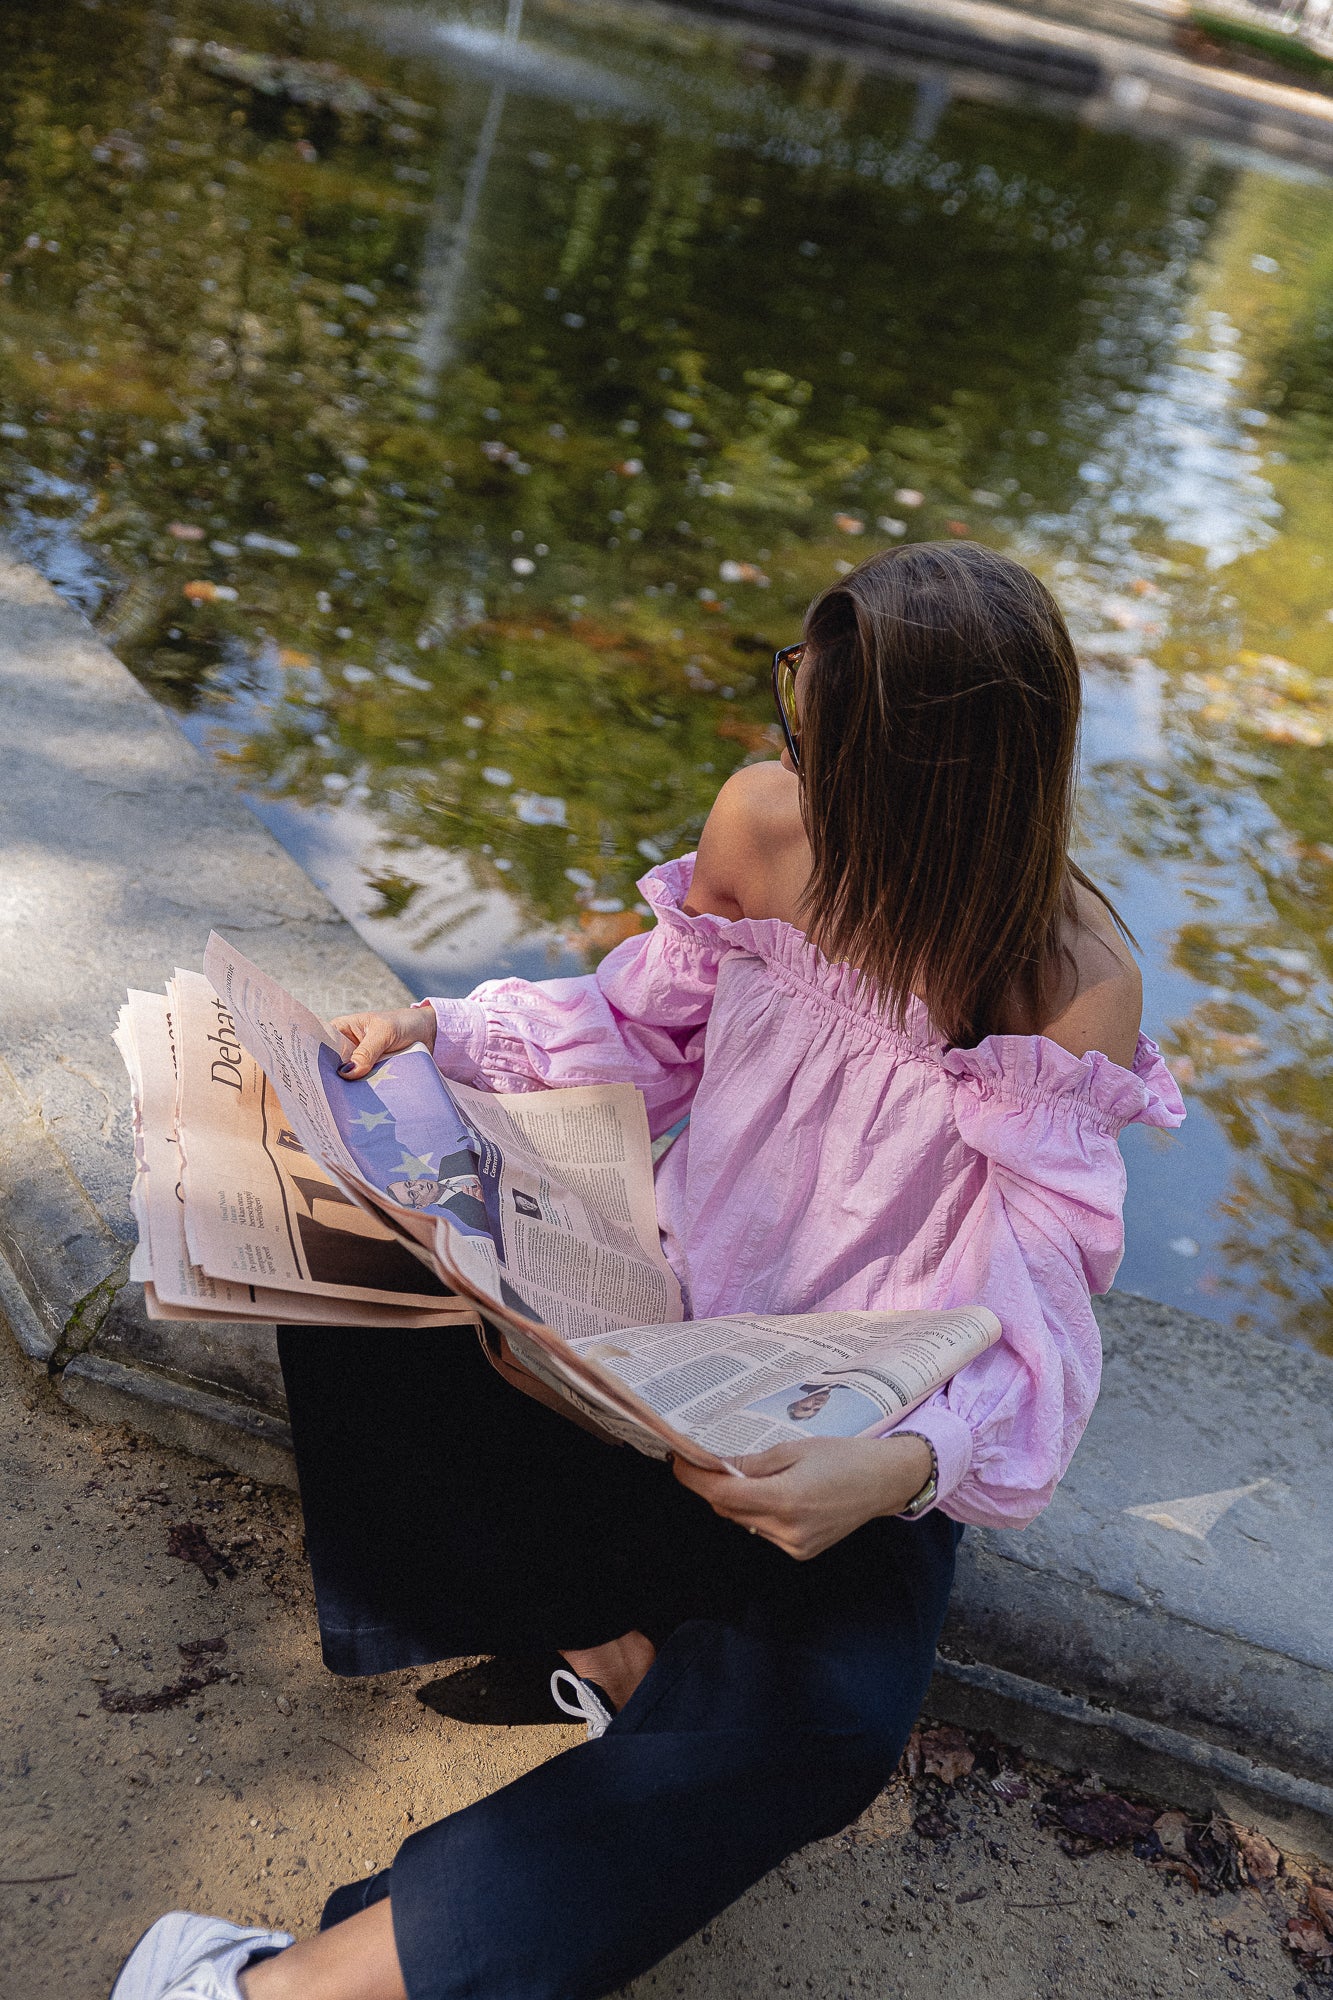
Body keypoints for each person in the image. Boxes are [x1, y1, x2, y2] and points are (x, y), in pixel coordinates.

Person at [112, 542, 1182, 2000]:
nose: (792, 750)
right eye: (802, 704)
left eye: (827, 735)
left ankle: (273, 1986)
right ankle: (612, 1655)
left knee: (824, 1733)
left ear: (952, 783)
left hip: (829, 1440)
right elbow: (647, 1033)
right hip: (638, 1340)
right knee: (343, 1241)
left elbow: (1034, 1309)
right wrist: (439, 1035)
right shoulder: (767, 824)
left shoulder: (1062, 984)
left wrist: (894, 1470)